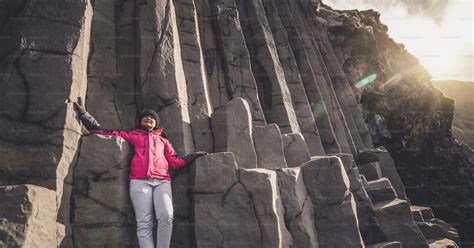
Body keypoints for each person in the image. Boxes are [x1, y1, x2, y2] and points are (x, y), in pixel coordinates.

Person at [73, 97, 206, 248]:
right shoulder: (132, 135)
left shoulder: (163, 141)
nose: (149, 118)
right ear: (141, 121)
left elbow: (175, 162)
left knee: (167, 216)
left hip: (162, 181)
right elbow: (105, 131)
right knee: (144, 222)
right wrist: (84, 115)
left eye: (152, 118)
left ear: (156, 124)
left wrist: (192, 157)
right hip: (139, 181)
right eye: (145, 117)